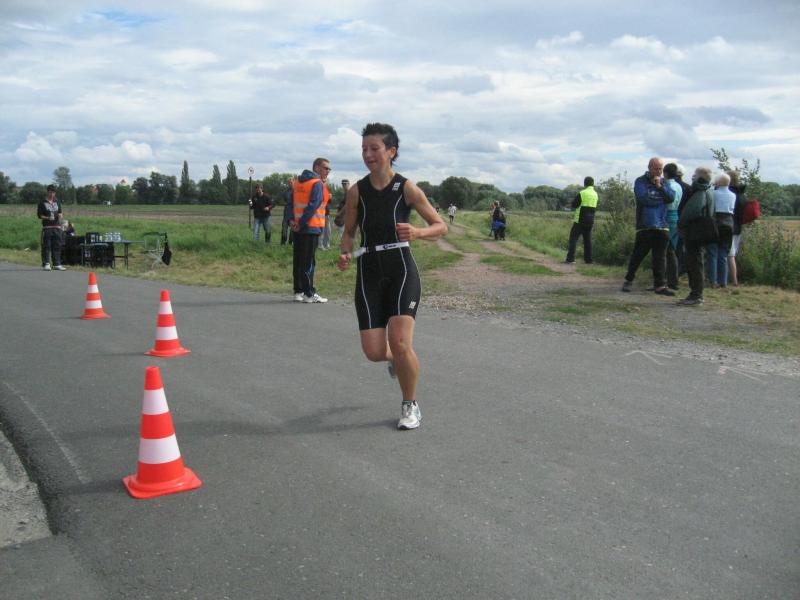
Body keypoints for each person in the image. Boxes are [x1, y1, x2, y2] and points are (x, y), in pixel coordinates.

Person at [337, 123, 447, 430]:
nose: (368, 154)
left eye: (374, 148)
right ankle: (396, 360)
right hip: (369, 271)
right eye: (364, 149)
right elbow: (349, 232)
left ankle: (410, 405)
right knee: (374, 352)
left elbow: (441, 226)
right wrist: (345, 252)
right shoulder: (357, 191)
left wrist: (418, 232)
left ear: (391, 151)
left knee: (400, 342)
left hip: (401, 269)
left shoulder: (406, 188)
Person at [621, 157, 674, 296]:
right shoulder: (640, 181)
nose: (659, 171)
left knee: (660, 258)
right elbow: (644, 198)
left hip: (662, 225)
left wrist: (660, 187)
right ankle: (628, 280)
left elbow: (671, 198)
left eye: (660, 169)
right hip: (645, 225)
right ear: (649, 168)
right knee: (638, 255)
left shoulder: (664, 182)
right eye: (656, 169)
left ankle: (660, 285)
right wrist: (661, 198)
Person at [291, 159, 331, 303]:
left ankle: (298, 291)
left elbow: (290, 204)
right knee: (308, 262)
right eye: (325, 168)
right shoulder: (317, 183)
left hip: (297, 228)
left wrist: (292, 221)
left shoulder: (297, 183)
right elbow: (313, 205)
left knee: (298, 260)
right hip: (311, 227)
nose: (328, 171)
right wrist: (301, 223)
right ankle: (309, 293)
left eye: (329, 169)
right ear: (317, 167)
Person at [676, 166, 715, 305]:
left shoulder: (700, 192)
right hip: (702, 230)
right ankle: (696, 294)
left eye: (695, 174)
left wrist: (680, 223)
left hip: (695, 231)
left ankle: (696, 295)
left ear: (700, 177)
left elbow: (691, 211)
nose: (692, 176)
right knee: (696, 260)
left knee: (694, 262)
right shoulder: (709, 191)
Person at [707, 173, 736, 288]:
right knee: (723, 253)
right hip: (728, 222)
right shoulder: (733, 195)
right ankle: (723, 281)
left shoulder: (714, 193)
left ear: (718, 182)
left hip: (716, 221)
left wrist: (713, 185)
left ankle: (713, 280)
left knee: (713, 252)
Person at [564, 176, 598, 264]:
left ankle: (570, 259)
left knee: (573, 239)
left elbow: (574, 205)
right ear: (593, 184)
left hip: (579, 220)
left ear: (585, 184)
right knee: (587, 241)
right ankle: (588, 260)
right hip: (590, 221)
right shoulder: (595, 194)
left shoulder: (582, 193)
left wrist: (571, 204)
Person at [662, 163, 683, 289]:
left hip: (666, 216)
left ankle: (663, 279)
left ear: (665, 173)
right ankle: (673, 280)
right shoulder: (678, 186)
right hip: (676, 216)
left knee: (663, 250)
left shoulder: (667, 186)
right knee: (672, 249)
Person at [37, 185, 66, 271]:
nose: (51, 194)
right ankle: (46, 263)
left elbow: (60, 212)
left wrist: (60, 215)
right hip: (47, 227)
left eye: (53, 192)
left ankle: (56, 264)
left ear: (55, 193)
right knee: (46, 246)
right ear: (47, 192)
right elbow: (39, 215)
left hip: (57, 227)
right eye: (50, 192)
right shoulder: (42, 202)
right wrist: (48, 218)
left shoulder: (57, 201)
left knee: (57, 245)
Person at [728, 171, 748, 286]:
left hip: (730, 226)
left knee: (730, 255)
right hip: (738, 226)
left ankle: (734, 281)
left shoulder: (730, 194)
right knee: (733, 254)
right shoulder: (742, 195)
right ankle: (733, 279)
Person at [280, 178, 294, 245]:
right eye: (289, 183)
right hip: (286, 214)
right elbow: (281, 199)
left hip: (294, 215)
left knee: (292, 233)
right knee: (284, 232)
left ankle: (290, 245)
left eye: (291, 182)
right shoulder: (286, 192)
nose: (290, 184)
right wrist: (283, 203)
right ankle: (282, 244)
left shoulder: (297, 191)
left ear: (294, 182)